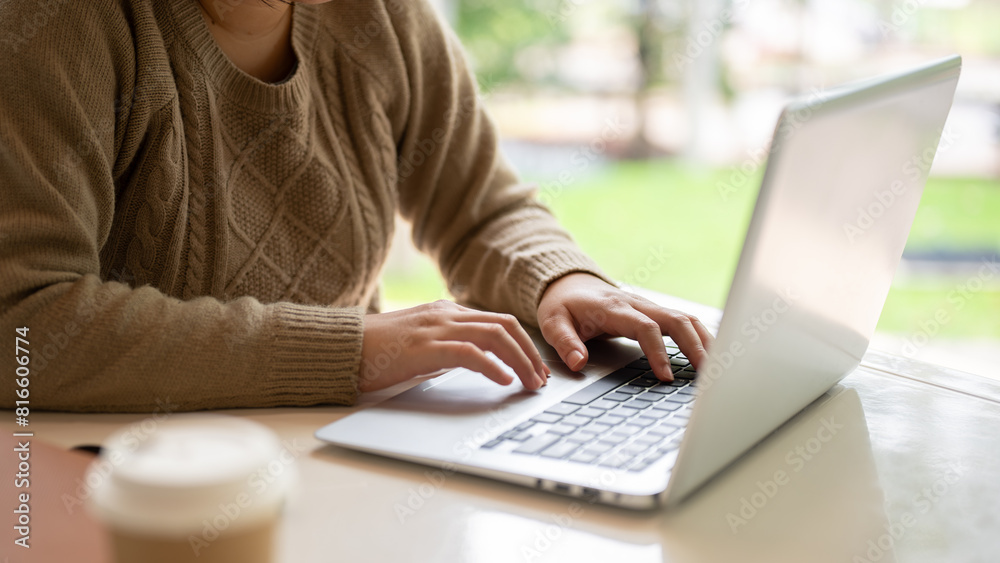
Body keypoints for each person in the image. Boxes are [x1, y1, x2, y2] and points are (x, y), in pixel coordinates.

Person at [0, 0, 712, 413]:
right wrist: (351, 351)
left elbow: (482, 210)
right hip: (138, 487)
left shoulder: (379, 17)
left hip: (338, 450)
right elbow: (21, 322)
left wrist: (562, 281)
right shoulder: (57, 26)